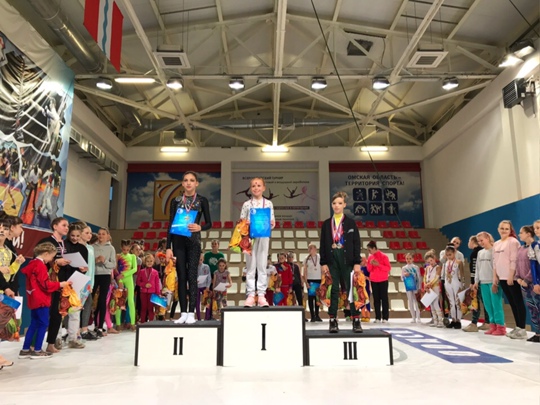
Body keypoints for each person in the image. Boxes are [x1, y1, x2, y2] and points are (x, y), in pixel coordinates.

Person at [165, 171, 212, 324]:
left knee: (192, 276)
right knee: (181, 277)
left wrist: (200, 227)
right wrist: (168, 247)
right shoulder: (176, 201)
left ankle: (191, 312)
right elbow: (170, 224)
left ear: (196, 183)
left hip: (194, 242)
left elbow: (209, 223)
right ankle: (183, 312)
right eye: (186, 180)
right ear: (182, 183)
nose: (189, 183)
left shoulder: (202, 200)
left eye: (192, 180)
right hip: (178, 242)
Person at [19, 242, 72, 359]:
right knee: (43, 324)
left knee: (34, 323)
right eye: (52, 257)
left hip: (33, 298)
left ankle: (25, 349)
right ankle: (37, 350)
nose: (51, 260)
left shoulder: (32, 263)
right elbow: (46, 285)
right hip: (41, 299)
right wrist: (60, 284)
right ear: (46, 254)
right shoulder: (40, 265)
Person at [319, 191, 362, 333]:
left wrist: (357, 262)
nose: (336, 206)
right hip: (332, 260)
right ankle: (333, 319)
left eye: (339, 203)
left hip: (347, 260)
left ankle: (356, 319)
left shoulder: (350, 223)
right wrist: (323, 263)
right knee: (333, 289)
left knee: (352, 289)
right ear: (331, 205)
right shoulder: (326, 224)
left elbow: (356, 243)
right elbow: (323, 244)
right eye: (334, 203)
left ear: (344, 205)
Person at [37, 217, 71, 354]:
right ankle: (34, 345)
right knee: (42, 314)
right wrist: (56, 261)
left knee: (57, 314)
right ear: (55, 226)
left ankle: (51, 343)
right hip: (47, 283)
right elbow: (38, 260)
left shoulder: (66, 244)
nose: (67, 228)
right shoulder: (46, 241)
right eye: (64, 225)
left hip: (62, 283)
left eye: (67, 225)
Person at [240, 177, 274, 307]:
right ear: (250, 188)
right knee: (250, 266)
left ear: (264, 188)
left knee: (262, 266)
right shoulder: (246, 204)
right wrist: (246, 223)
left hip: (263, 236)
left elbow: (272, 222)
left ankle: (261, 295)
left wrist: (271, 224)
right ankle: (250, 294)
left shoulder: (268, 204)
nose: (256, 188)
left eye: (259, 185)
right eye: (253, 186)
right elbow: (241, 222)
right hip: (250, 238)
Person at [493, 220, 527, 339]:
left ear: (510, 230)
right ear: (498, 229)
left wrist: (511, 275)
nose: (504, 230)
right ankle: (517, 327)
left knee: (518, 302)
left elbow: (514, 260)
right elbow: (495, 262)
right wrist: (495, 277)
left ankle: (522, 329)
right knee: (512, 303)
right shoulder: (496, 244)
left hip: (511, 277)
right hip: (502, 277)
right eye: (502, 228)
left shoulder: (513, 242)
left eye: (506, 229)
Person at [474, 231, 505, 336]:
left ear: (488, 238)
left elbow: (497, 266)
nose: (480, 243)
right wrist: (476, 281)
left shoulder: (494, 250)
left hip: (493, 282)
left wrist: (495, 281)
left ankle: (500, 326)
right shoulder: (480, 253)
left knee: (496, 304)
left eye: (482, 240)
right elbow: (477, 268)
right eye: (478, 241)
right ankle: (492, 325)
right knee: (488, 305)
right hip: (483, 282)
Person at [63, 223, 88, 349]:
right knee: (61, 311)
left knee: (75, 312)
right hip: (63, 282)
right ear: (68, 234)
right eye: (72, 235)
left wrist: (84, 269)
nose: (75, 238)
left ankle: (73, 338)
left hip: (76, 282)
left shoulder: (83, 249)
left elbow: (85, 267)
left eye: (77, 236)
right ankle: (57, 338)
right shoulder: (63, 245)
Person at [92, 227, 116, 337]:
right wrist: (95, 261)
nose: (101, 236)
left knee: (102, 300)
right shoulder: (93, 247)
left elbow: (113, 265)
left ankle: (100, 326)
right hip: (94, 275)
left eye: (103, 234)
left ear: (108, 236)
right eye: (99, 234)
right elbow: (89, 262)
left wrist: (104, 261)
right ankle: (88, 325)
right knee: (90, 300)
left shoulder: (111, 248)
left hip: (105, 275)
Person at [463, 235, 490, 332]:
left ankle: (474, 323)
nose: (468, 243)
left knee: (476, 302)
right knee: (484, 302)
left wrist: (473, 282)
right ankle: (487, 322)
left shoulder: (475, 253)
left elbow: (474, 269)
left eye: (469, 241)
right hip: (482, 280)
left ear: (472, 241)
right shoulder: (480, 251)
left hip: (478, 282)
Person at [516, 225, 538, 342]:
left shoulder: (535, 247)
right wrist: (518, 278)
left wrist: (527, 279)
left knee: (538, 307)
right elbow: (517, 265)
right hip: (523, 285)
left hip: (533, 283)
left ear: (528, 234)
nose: (519, 235)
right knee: (532, 309)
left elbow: (534, 266)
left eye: (521, 232)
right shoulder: (520, 249)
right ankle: (538, 333)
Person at [80, 228, 98, 341]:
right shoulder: (77, 247)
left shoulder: (91, 248)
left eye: (90, 233)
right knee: (75, 306)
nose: (90, 235)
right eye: (87, 233)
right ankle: (73, 331)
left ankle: (84, 329)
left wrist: (91, 283)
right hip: (79, 280)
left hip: (88, 280)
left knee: (88, 303)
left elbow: (92, 267)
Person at [366, 240, 391, 323]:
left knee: (384, 298)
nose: (369, 252)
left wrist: (379, 265)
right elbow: (369, 269)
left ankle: (385, 317)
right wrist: (370, 264)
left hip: (383, 279)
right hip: (374, 280)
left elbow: (388, 268)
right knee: (376, 299)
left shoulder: (384, 256)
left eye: (369, 250)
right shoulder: (370, 257)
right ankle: (377, 317)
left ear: (374, 248)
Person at [116, 239, 137, 331]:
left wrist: (124, 275)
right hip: (120, 280)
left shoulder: (132, 256)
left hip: (128, 279)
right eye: (124, 249)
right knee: (119, 301)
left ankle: (132, 323)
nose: (125, 251)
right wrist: (119, 279)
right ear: (121, 248)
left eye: (127, 250)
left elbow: (135, 269)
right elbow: (116, 269)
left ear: (130, 248)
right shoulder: (118, 256)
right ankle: (118, 324)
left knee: (131, 301)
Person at [442, 244, 464, 329]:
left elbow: (462, 275)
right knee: (451, 302)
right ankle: (453, 320)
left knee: (457, 302)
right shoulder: (446, 263)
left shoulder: (459, 262)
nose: (448, 256)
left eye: (450, 254)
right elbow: (444, 274)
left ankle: (458, 320)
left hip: (456, 283)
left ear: (454, 253)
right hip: (448, 283)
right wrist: (445, 284)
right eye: (447, 255)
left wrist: (462, 285)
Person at [525, 220, 540, 342]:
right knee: (537, 308)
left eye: (538, 228)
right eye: (535, 228)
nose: (536, 230)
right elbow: (533, 265)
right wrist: (536, 282)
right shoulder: (534, 245)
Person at [136, 253, 161, 323]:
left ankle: (151, 323)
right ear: (145, 262)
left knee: (150, 308)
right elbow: (138, 282)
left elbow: (157, 284)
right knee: (143, 308)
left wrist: (158, 293)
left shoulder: (155, 272)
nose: (149, 263)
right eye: (147, 261)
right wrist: (144, 285)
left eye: (151, 261)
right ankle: (142, 322)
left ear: (153, 262)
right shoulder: (141, 272)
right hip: (143, 292)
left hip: (152, 293)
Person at [303, 244, 322, 322]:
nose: (309, 249)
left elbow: (322, 269)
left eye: (311, 248)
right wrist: (306, 282)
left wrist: (323, 281)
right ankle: (312, 316)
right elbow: (305, 271)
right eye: (309, 248)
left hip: (318, 280)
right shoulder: (306, 259)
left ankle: (317, 315)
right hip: (310, 280)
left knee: (317, 298)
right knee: (311, 298)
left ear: (315, 249)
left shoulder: (320, 257)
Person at [424, 251, 443, 327]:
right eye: (428, 262)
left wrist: (430, 284)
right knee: (431, 304)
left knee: (435, 303)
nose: (430, 263)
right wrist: (425, 285)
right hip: (428, 288)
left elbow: (437, 277)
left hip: (435, 287)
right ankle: (435, 321)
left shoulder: (438, 267)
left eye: (431, 261)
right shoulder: (427, 268)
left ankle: (440, 321)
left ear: (434, 258)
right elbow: (425, 277)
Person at [401, 253, 421, 323]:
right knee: (410, 301)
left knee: (416, 301)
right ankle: (413, 317)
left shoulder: (416, 267)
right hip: (408, 286)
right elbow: (401, 278)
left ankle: (418, 317)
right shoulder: (404, 268)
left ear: (413, 259)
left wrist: (419, 287)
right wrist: (405, 275)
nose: (408, 260)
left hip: (415, 286)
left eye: (410, 258)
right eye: (407, 259)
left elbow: (419, 277)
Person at [196, 253, 211, 320]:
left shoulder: (206, 267)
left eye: (201, 259)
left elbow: (209, 277)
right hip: (197, 286)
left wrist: (208, 286)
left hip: (205, 286)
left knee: (208, 301)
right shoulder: (194, 267)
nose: (200, 261)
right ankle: (199, 318)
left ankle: (207, 317)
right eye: (198, 259)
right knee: (197, 302)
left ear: (203, 259)